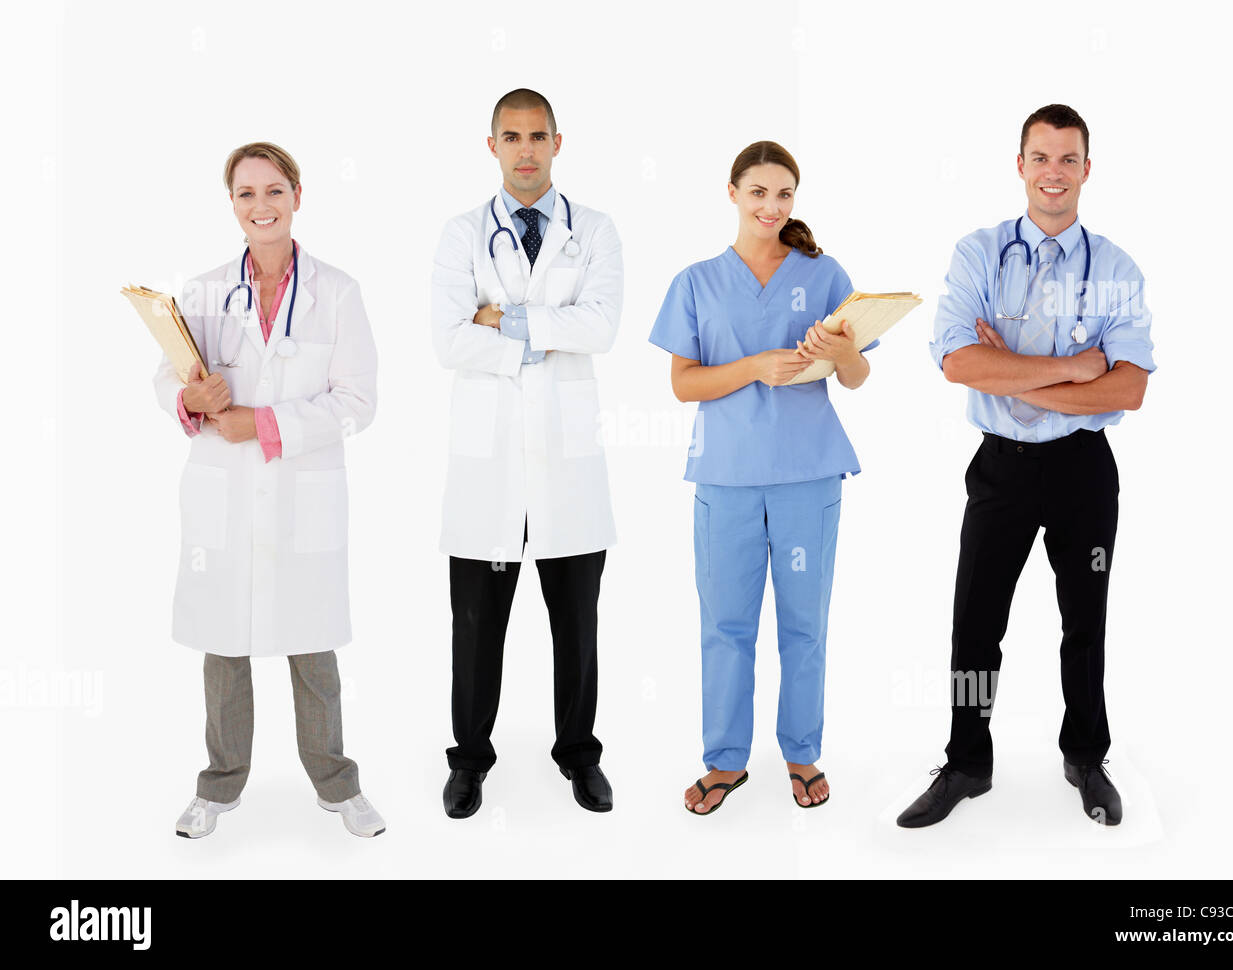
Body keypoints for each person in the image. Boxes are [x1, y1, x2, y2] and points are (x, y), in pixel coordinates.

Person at [898, 104, 1155, 829]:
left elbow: (1129, 387)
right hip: (1001, 469)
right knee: (975, 624)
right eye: (1040, 158)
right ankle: (966, 763)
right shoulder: (978, 253)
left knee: (1085, 622)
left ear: (1086, 169)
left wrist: (1011, 376)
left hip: (1084, 471)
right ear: (1020, 165)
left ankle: (1086, 756)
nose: (1053, 173)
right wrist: (1075, 368)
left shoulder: (1116, 269)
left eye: (1068, 159)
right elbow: (956, 361)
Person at [152, 142, 385, 838]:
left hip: (299, 492)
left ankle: (337, 786)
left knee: (312, 648)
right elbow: (166, 379)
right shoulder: (199, 292)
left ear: (298, 196)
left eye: (274, 191)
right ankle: (219, 789)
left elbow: (359, 401)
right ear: (232, 204)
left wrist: (264, 422)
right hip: (225, 497)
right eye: (247, 194)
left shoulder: (337, 292)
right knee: (223, 647)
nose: (262, 206)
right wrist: (193, 395)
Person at [649, 140, 877, 815]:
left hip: (808, 475)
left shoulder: (823, 272)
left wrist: (843, 353)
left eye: (784, 195)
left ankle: (802, 753)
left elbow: (859, 377)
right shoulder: (696, 281)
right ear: (733, 193)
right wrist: (753, 366)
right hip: (726, 478)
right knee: (726, 624)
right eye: (759, 193)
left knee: (805, 623)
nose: (772, 207)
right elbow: (683, 384)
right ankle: (725, 761)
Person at [429, 88, 623, 819]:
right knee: (475, 630)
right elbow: (448, 341)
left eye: (538, 136)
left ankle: (579, 756)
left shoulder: (595, 232)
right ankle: (470, 762)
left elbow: (601, 327)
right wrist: (543, 336)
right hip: (488, 470)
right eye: (511, 137)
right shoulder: (461, 234)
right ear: (492, 146)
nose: (526, 150)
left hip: (570, 468)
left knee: (578, 627)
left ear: (557, 142)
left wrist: (501, 320)